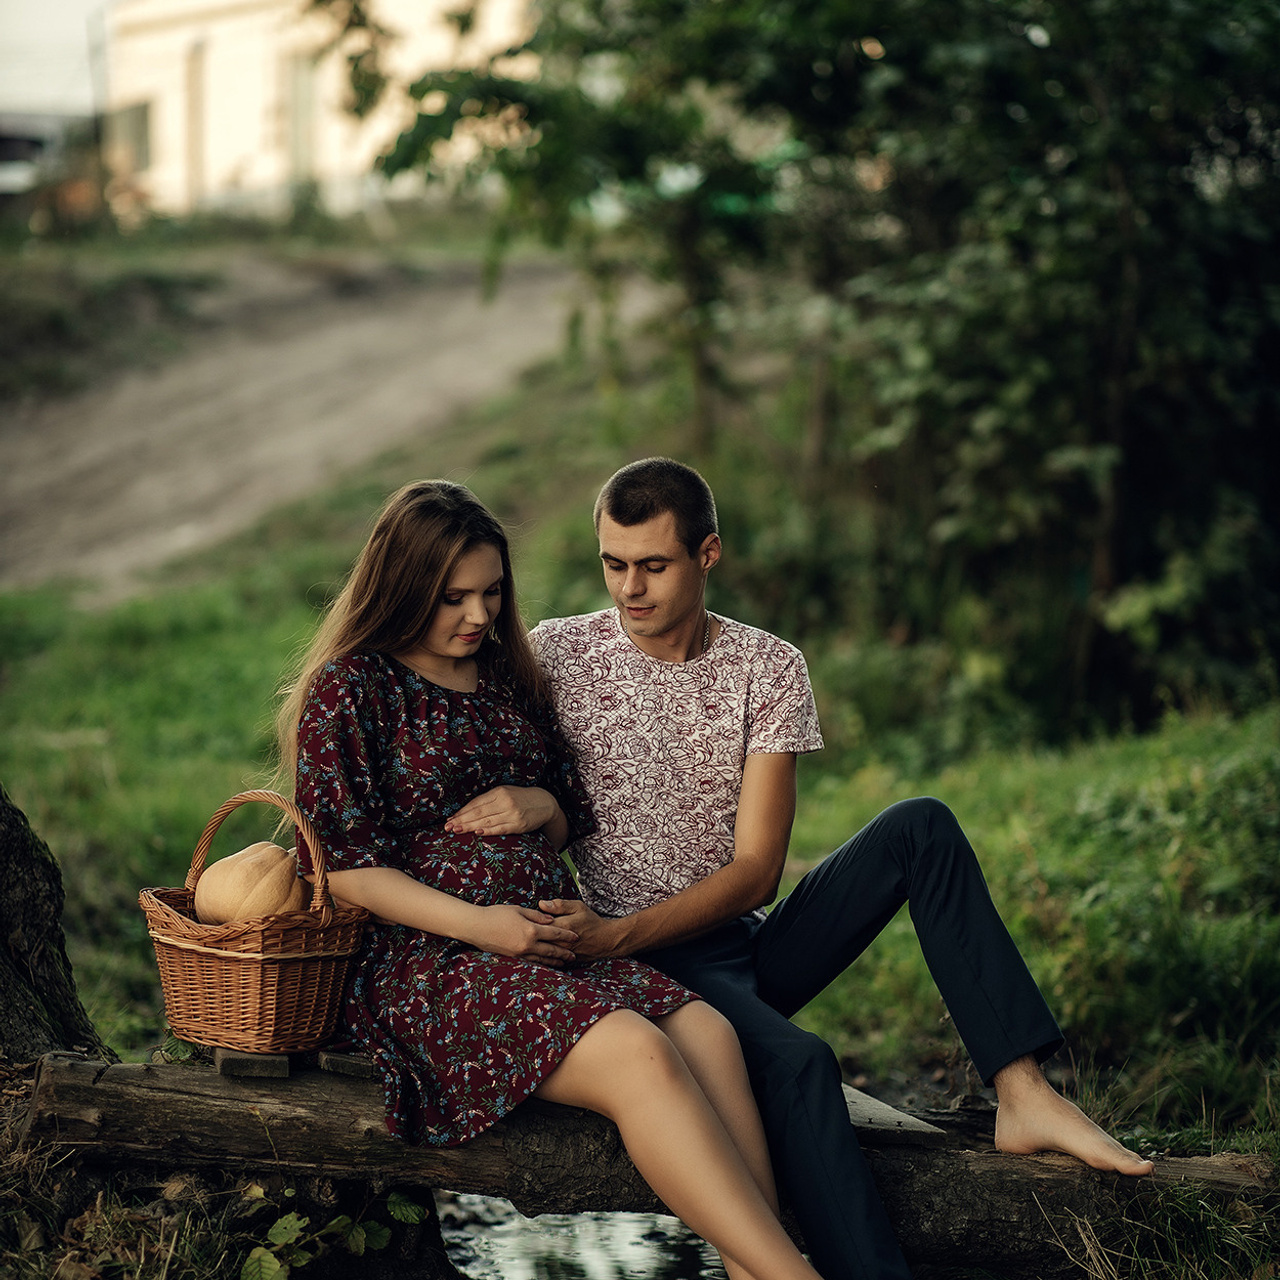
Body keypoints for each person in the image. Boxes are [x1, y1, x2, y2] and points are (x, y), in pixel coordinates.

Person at [530, 457, 1156, 1280]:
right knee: (800, 1063)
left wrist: (613, 934)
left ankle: (1024, 1090)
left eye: (654, 565)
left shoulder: (768, 666)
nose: (629, 589)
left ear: (708, 554)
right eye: (614, 563)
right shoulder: (557, 654)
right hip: (645, 973)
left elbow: (758, 873)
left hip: (734, 937)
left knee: (920, 827)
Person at [274, 479, 827, 1280]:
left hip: (545, 937)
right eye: (451, 598)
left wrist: (543, 807)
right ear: (400, 591)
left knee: (709, 1033)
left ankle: (749, 1269)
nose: (478, 616)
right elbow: (346, 870)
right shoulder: (353, 689)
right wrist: (482, 926)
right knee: (640, 1053)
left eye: (492, 593)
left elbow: (567, 807)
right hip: (432, 960)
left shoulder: (505, 675)